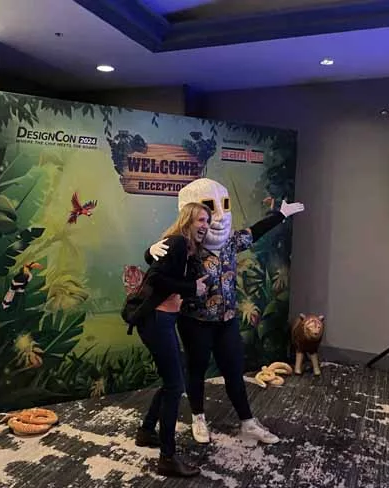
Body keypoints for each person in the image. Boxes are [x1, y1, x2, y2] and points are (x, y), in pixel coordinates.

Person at [145, 178, 305, 445]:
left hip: (226, 319)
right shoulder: (186, 244)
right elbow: (158, 264)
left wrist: (280, 215)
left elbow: (255, 232)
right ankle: (198, 417)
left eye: (221, 206)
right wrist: (149, 252)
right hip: (195, 320)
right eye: (205, 211)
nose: (213, 218)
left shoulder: (231, 241)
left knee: (234, 371)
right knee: (196, 370)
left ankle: (247, 422)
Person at [122, 202, 211, 478]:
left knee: (172, 379)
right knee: (175, 385)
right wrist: (191, 287)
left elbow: (158, 270)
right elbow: (157, 278)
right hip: (156, 319)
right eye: (200, 220)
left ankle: (147, 431)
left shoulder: (186, 248)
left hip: (162, 319)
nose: (205, 225)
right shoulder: (178, 243)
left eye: (207, 221)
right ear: (187, 220)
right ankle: (167, 458)